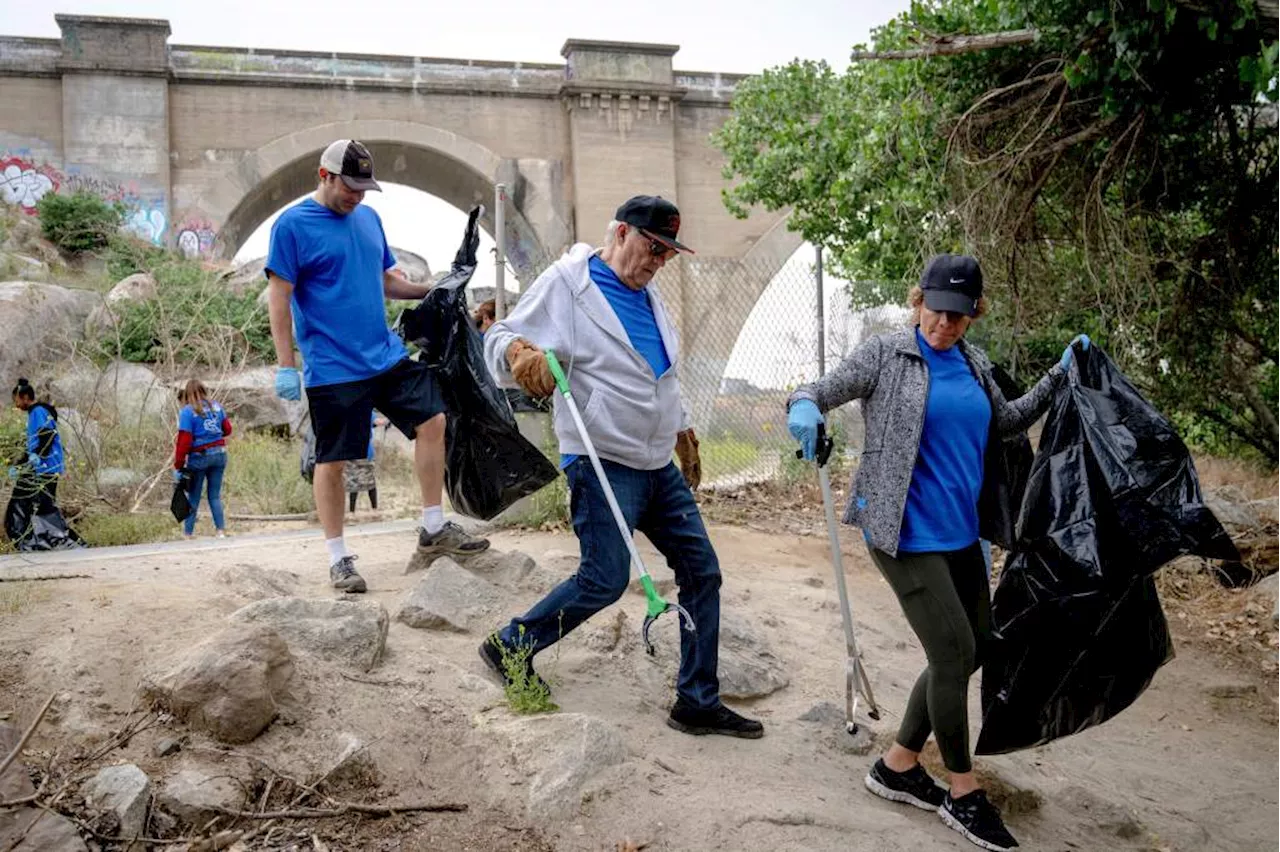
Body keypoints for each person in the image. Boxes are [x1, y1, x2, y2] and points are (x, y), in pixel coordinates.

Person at [786, 254, 1089, 852]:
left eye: (958, 315)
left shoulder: (974, 362)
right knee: (952, 656)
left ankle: (896, 765)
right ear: (918, 299)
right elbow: (818, 390)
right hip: (903, 534)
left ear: (973, 314)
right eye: (935, 309)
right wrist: (802, 409)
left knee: (973, 650)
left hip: (960, 536)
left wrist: (1060, 374)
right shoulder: (885, 355)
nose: (944, 325)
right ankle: (963, 791)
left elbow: (1006, 422)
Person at [479, 195, 755, 739]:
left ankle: (697, 701)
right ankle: (510, 645)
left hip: (657, 464)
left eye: (669, 253)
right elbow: (498, 337)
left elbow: (661, 375)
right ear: (622, 234)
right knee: (605, 579)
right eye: (654, 247)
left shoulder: (651, 299)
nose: (659, 261)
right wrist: (520, 357)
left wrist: (683, 430)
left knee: (703, 573)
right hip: (601, 457)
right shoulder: (569, 283)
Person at [266, 139, 489, 593]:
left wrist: (435, 289)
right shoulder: (292, 226)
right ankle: (338, 558)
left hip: (382, 355)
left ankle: (432, 530)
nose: (357, 196)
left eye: (364, 188)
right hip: (333, 367)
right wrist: (286, 364)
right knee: (333, 460)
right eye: (350, 187)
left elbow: (386, 280)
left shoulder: (368, 218)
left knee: (433, 420)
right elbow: (280, 298)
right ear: (323, 175)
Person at [173, 379, 232, 539]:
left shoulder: (187, 411)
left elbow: (184, 440)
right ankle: (220, 531)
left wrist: (178, 464)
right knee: (214, 495)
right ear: (204, 391)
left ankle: (188, 533)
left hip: (199, 457)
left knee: (194, 496)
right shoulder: (217, 407)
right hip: (219, 455)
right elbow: (227, 429)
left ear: (187, 394)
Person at [8, 377, 65, 521]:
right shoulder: (33, 414)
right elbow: (32, 446)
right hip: (41, 466)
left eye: (17, 401)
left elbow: (47, 437)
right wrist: (19, 465)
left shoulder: (38, 411)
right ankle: (43, 536)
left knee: (46, 505)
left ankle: (52, 537)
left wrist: (38, 457)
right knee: (37, 503)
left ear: (25, 397)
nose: (17, 405)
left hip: (48, 466)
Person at [345, 411, 387, 513]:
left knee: (353, 483)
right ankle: (374, 509)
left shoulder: (347, 410)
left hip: (350, 452)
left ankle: (352, 511)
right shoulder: (367, 411)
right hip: (366, 452)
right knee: (370, 482)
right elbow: (379, 422)